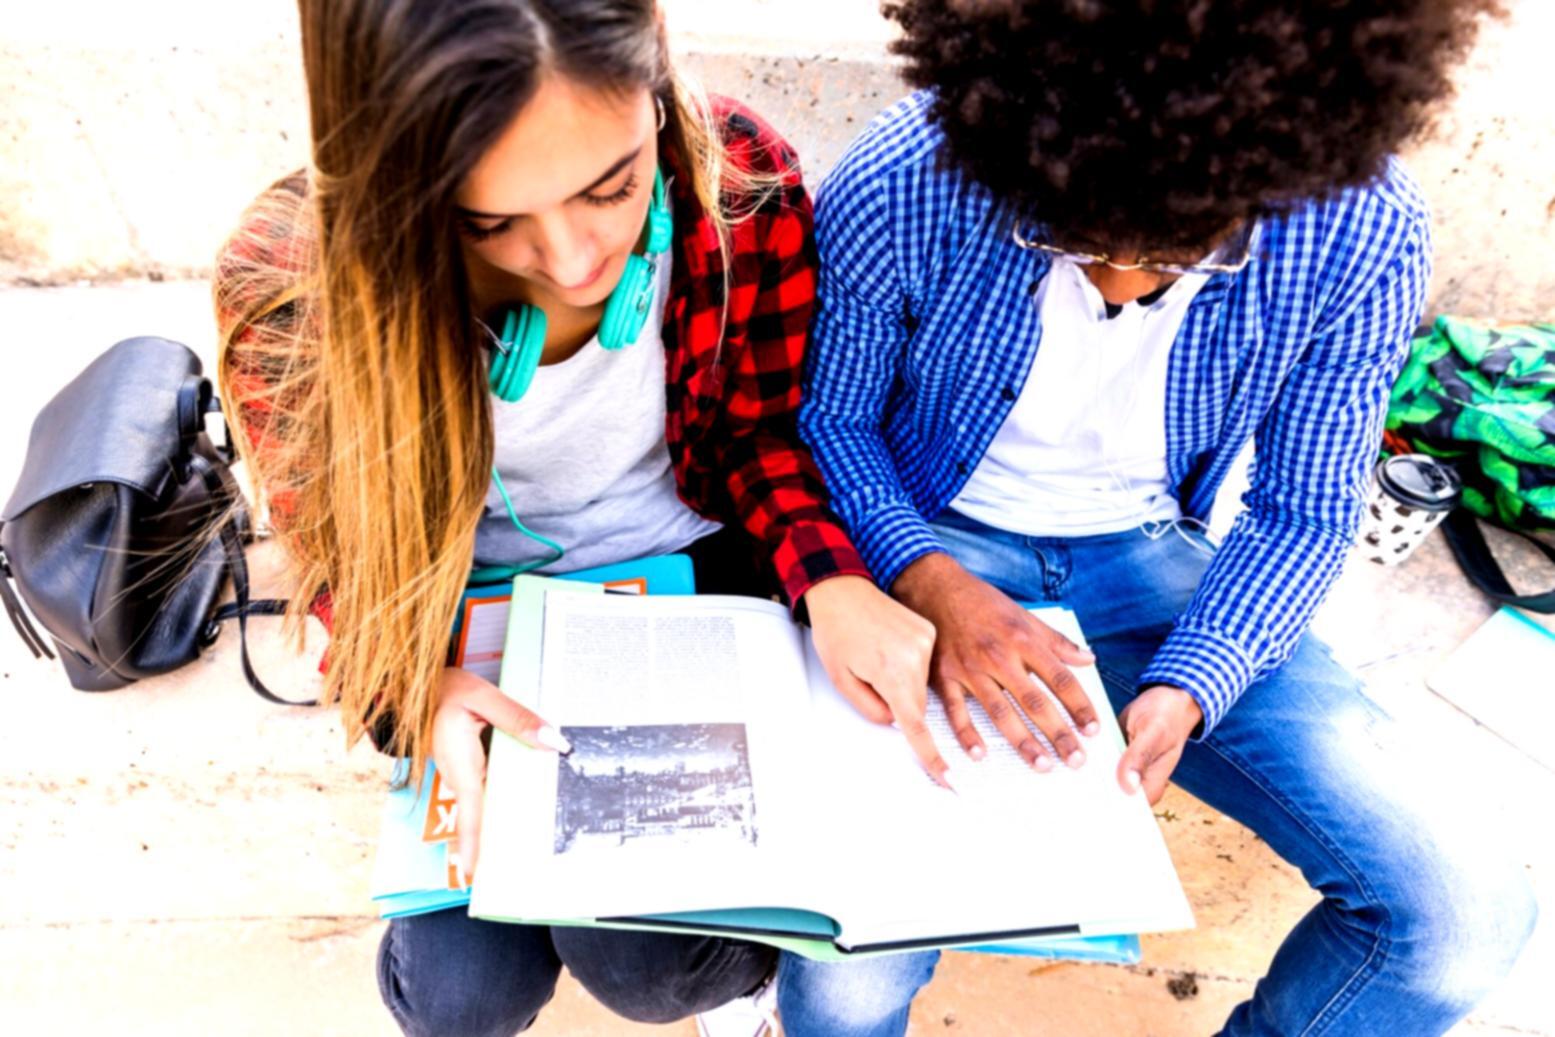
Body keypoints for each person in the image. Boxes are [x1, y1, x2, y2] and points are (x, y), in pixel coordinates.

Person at [800, 1, 1537, 1034]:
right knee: (846, 979)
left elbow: (1303, 509)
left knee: (1461, 920)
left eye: (1178, 253)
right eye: (1074, 236)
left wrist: (1195, 681)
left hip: (1158, 567)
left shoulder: (1359, 227)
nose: (1122, 278)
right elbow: (831, 421)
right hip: (922, 545)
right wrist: (926, 578)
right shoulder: (907, 174)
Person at [212, 2, 942, 1034]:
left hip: (690, 572)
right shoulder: (293, 288)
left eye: (611, 187)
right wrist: (411, 689)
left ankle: (738, 982)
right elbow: (337, 557)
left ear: (656, 77)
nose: (568, 260)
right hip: (462, 612)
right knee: (461, 996)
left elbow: (758, 436)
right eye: (488, 222)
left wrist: (832, 576)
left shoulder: (737, 180)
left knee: (650, 967)